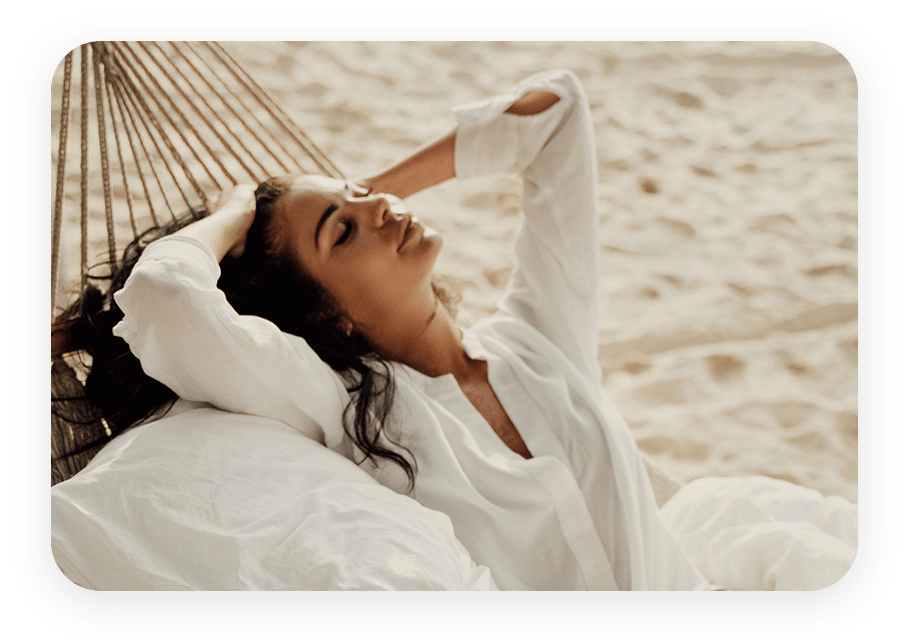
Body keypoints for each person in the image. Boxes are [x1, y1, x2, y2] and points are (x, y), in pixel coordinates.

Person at [57, 70, 722, 590]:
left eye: (358, 195)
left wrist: (353, 198)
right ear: (326, 314)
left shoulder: (539, 340)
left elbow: (554, 113)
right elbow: (169, 300)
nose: (377, 208)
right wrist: (236, 212)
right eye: (341, 232)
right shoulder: (344, 407)